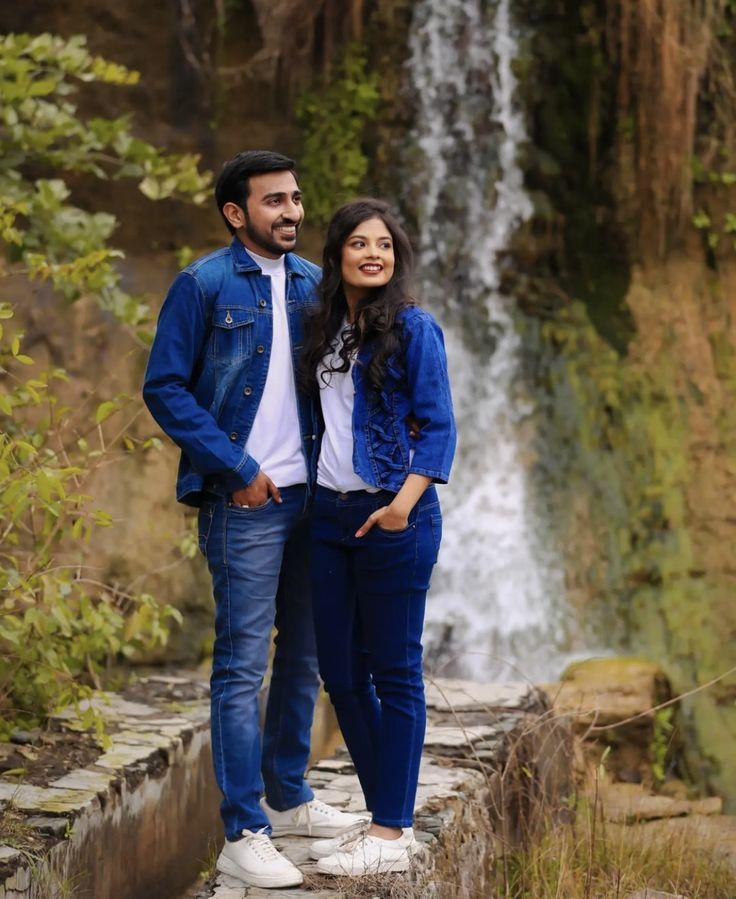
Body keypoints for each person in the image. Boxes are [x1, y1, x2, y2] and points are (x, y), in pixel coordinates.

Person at [142, 150, 363, 890]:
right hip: (246, 502)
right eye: (274, 201)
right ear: (237, 213)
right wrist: (233, 469)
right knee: (242, 666)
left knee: (304, 655)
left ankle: (290, 796)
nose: (292, 212)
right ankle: (243, 829)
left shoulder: (312, 284)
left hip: (313, 498)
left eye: (296, 199)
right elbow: (165, 387)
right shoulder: (201, 285)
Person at [299, 198, 457, 876]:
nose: (373, 253)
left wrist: (400, 507)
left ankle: (393, 831)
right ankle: (380, 814)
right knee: (340, 670)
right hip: (329, 517)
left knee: (395, 670)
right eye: (360, 242)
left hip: (395, 518)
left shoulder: (415, 329)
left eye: (385, 245)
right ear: (336, 254)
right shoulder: (325, 331)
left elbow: (440, 427)